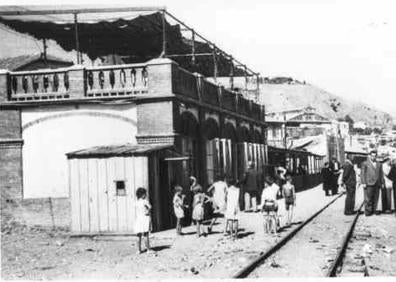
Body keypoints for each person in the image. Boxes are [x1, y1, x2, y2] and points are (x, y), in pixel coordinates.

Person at [360, 150, 384, 216]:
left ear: (376, 156)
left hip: (377, 183)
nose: (373, 157)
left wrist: (382, 183)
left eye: (375, 156)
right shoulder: (365, 163)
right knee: (368, 198)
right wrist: (363, 182)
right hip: (368, 183)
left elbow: (381, 174)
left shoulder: (379, 164)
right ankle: (368, 211)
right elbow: (362, 173)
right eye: (372, 156)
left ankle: (374, 210)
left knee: (376, 197)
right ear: (370, 156)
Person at [134, 187, 152, 254]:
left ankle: (139, 250)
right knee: (146, 234)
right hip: (145, 218)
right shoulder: (145, 201)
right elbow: (150, 207)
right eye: (145, 194)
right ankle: (148, 249)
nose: (146, 195)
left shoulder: (136, 202)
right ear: (143, 195)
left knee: (138, 235)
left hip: (138, 219)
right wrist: (147, 211)